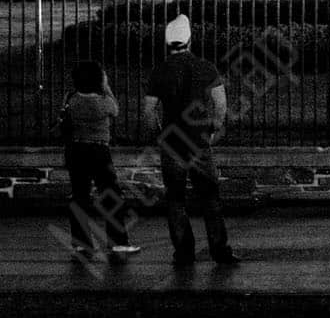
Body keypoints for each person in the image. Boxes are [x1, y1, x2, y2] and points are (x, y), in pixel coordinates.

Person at [143, 14, 240, 268]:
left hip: (172, 142)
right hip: (198, 140)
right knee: (210, 197)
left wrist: (157, 134)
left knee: (175, 198)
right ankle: (220, 250)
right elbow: (220, 104)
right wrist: (214, 128)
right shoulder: (205, 67)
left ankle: (184, 252)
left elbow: (148, 111)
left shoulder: (159, 71)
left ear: (168, 42)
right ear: (189, 39)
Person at [61, 59, 141, 258]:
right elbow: (116, 109)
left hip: (76, 150)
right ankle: (118, 242)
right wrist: (106, 87)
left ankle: (81, 243)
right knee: (110, 195)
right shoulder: (103, 102)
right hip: (98, 151)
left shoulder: (71, 99)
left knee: (80, 195)